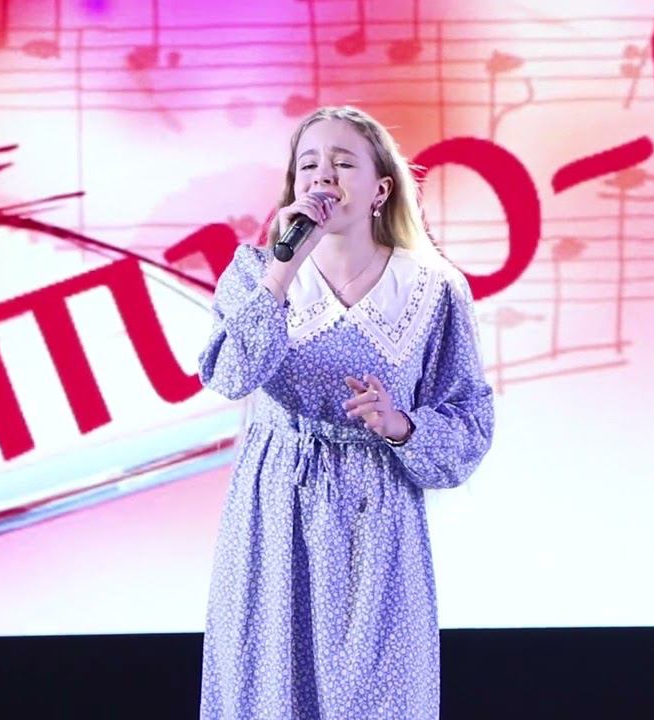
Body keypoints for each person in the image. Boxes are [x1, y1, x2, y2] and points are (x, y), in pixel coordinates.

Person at [197, 105, 495, 719]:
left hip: (375, 518)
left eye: (342, 163)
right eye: (308, 165)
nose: (323, 177)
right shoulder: (255, 274)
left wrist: (401, 425)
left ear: (381, 189)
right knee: (270, 688)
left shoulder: (433, 287)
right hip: (273, 508)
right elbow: (229, 375)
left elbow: (470, 418)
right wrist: (281, 271)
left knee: (377, 692)